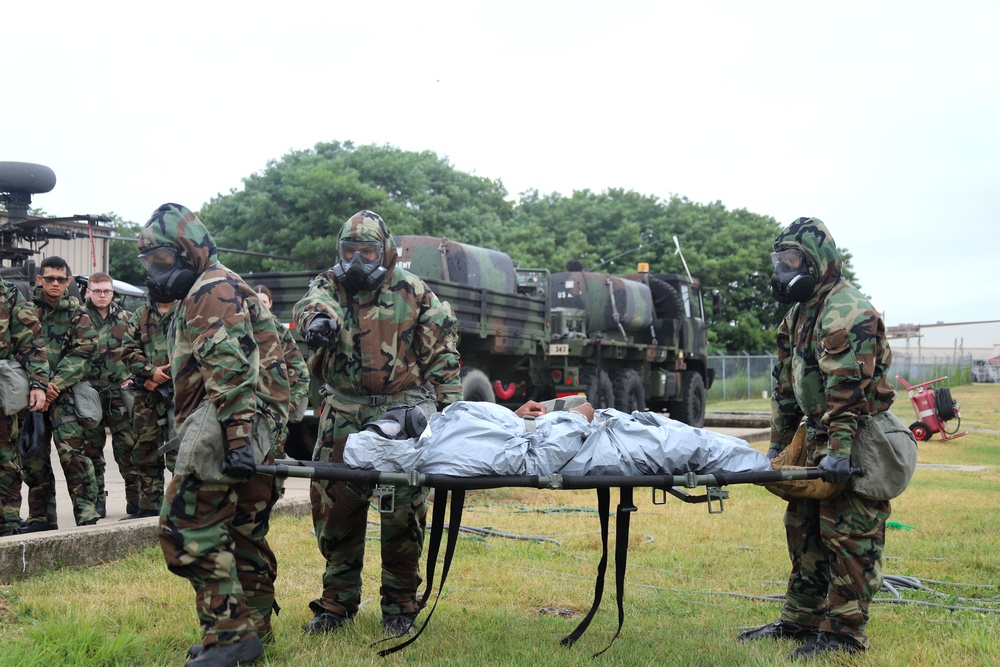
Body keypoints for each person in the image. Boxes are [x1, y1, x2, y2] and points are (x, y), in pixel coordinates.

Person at [292, 209, 461, 638]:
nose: (357, 262)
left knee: (402, 514)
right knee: (335, 511)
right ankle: (337, 603)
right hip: (342, 417)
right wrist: (318, 323)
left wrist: (452, 414)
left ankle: (400, 604)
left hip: (397, 417)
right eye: (349, 252)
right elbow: (312, 304)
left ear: (384, 251)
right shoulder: (328, 284)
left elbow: (442, 350)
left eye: (367, 252)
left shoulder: (414, 291)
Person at [137, 203, 289, 667]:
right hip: (248, 419)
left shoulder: (211, 289)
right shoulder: (217, 283)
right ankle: (251, 630)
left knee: (185, 526)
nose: (156, 275)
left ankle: (231, 638)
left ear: (188, 251)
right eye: (149, 266)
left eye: (162, 262)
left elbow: (231, 370)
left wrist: (239, 439)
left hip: (228, 419)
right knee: (241, 530)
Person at [737, 217, 896, 659]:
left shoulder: (847, 310)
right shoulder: (798, 313)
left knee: (849, 532)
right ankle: (800, 620)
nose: (782, 271)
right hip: (816, 434)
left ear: (816, 261)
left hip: (856, 435)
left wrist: (841, 453)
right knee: (803, 526)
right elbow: (784, 385)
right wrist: (779, 445)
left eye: (791, 261)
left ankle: (844, 635)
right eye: (779, 261)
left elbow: (847, 391)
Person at [21, 256, 100, 532]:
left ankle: (87, 515)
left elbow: (84, 353)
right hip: (32, 397)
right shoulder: (26, 311)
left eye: (61, 279)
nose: (55, 283)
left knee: (73, 456)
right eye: (49, 278)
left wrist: (52, 385)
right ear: (39, 280)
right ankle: (41, 519)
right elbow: (20, 349)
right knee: (34, 460)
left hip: (63, 397)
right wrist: (39, 386)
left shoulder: (79, 315)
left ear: (68, 282)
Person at [82, 272, 141, 518]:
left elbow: (140, 350)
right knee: (91, 450)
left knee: (127, 448)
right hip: (89, 392)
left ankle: (135, 499)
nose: (102, 295)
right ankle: (98, 499)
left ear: (112, 292)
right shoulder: (80, 318)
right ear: (88, 291)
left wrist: (134, 377)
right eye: (97, 291)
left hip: (120, 392)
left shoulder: (128, 318)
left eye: (106, 291)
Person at [119, 293, 175, 520]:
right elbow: (128, 351)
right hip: (148, 394)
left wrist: (170, 374)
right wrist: (151, 372)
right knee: (145, 450)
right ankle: (149, 507)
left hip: (182, 395)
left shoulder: (187, 311)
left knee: (180, 451)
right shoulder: (140, 315)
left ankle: (182, 505)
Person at [0, 276, 48, 536]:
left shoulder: (8, 294)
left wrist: (39, 384)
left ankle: (6, 524)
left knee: (5, 458)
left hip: (2, 390)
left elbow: (30, 341)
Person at [252, 284, 310, 464]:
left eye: (263, 301)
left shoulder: (279, 331)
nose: (259, 305)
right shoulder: (240, 329)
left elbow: (301, 372)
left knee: (272, 465)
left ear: (270, 303)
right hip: (247, 410)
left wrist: (287, 406)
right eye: (255, 301)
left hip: (273, 412)